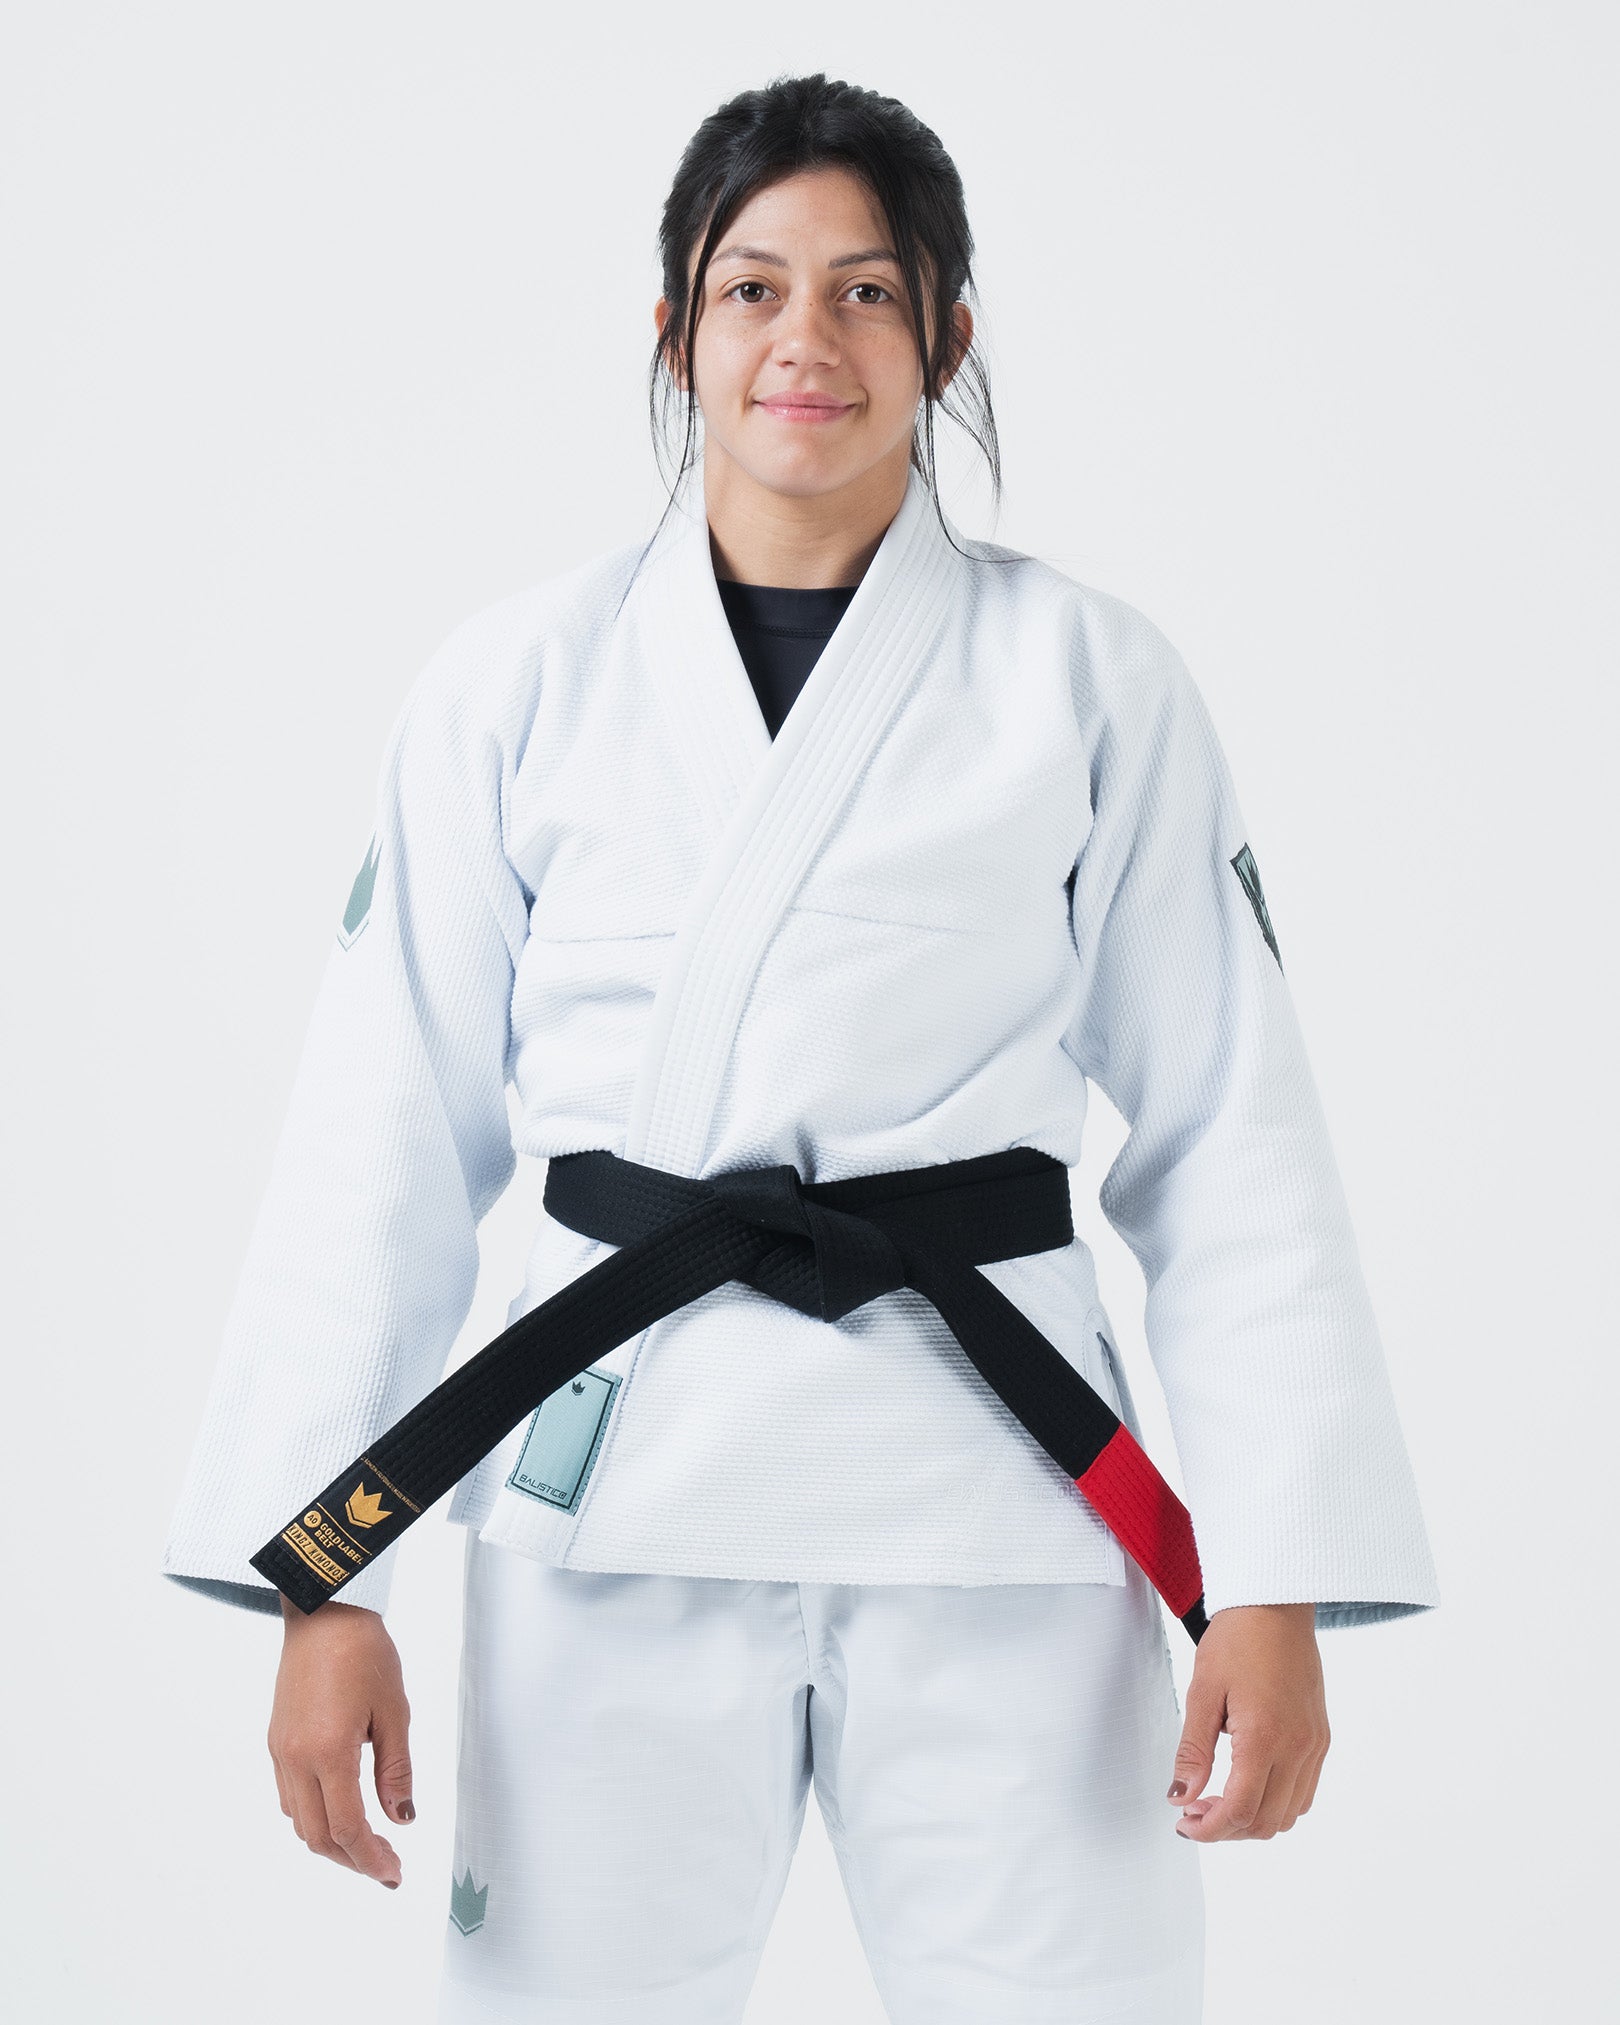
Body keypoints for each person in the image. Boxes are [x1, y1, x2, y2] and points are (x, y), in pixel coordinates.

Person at [162, 72, 1438, 2025]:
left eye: (866, 292)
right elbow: (381, 1139)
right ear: (676, 331)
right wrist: (327, 1580)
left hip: (1003, 1499)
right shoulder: (517, 684)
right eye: (752, 288)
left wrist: (1273, 1571)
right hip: (616, 1494)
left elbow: (1228, 1130)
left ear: (949, 335)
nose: (805, 341)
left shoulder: (1090, 680)